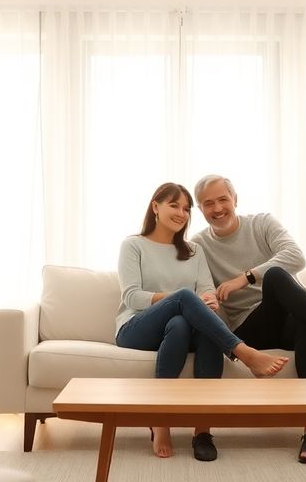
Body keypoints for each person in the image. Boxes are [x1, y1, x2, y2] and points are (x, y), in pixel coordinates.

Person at [191, 174, 306, 464]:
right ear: (200, 209)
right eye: (208, 203)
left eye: (223, 200)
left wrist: (246, 277)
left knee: (304, 318)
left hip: (287, 320)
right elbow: (200, 286)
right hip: (249, 327)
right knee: (277, 276)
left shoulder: (262, 223)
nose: (217, 209)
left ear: (235, 199)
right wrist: (210, 299)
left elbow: (296, 256)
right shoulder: (199, 245)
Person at [115, 182, 290, 461]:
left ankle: (203, 429)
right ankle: (242, 354)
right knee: (184, 298)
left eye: (186, 209)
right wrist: (180, 299)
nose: (181, 213)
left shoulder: (194, 250)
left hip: (178, 329)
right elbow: (132, 296)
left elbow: (207, 290)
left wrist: (208, 301)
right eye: (174, 205)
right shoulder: (133, 245)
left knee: (187, 324)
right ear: (155, 207)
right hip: (136, 327)